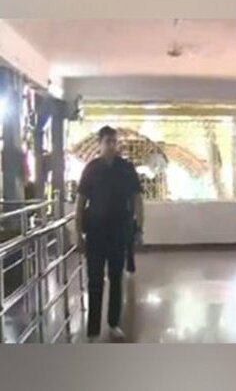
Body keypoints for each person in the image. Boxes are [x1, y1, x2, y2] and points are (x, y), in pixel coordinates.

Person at [75, 126, 144, 342]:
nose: (112, 145)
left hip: (119, 233)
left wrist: (139, 229)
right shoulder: (91, 169)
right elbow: (80, 203)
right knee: (95, 281)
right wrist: (78, 233)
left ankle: (114, 324)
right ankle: (93, 330)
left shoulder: (126, 169)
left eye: (114, 141)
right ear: (100, 144)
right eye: (108, 142)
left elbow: (137, 200)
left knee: (116, 279)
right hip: (95, 234)